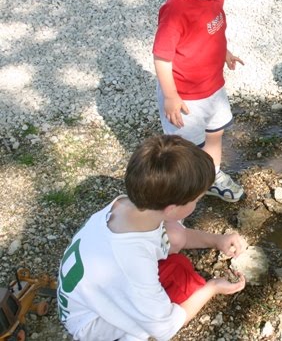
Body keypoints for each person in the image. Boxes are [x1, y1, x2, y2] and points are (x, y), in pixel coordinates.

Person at [57, 135, 248, 341]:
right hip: (93, 324)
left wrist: (217, 240)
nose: (197, 203)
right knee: (187, 286)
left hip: (85, 296)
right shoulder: (132, 262)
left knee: (175, 241)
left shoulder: (125, 205)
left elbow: (176, 237)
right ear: (173, 209)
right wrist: (213, 287)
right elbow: (165, 327)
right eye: (197, 200)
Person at [153, 0, 252, 202]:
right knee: (187, 149)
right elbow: (161, 57)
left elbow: (214, 29)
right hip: (186, 97)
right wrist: (171, 96)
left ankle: (213, 175)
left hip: (213, 87)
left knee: (215, 134)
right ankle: (186, 191)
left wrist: (224, 53)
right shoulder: (177, 11)